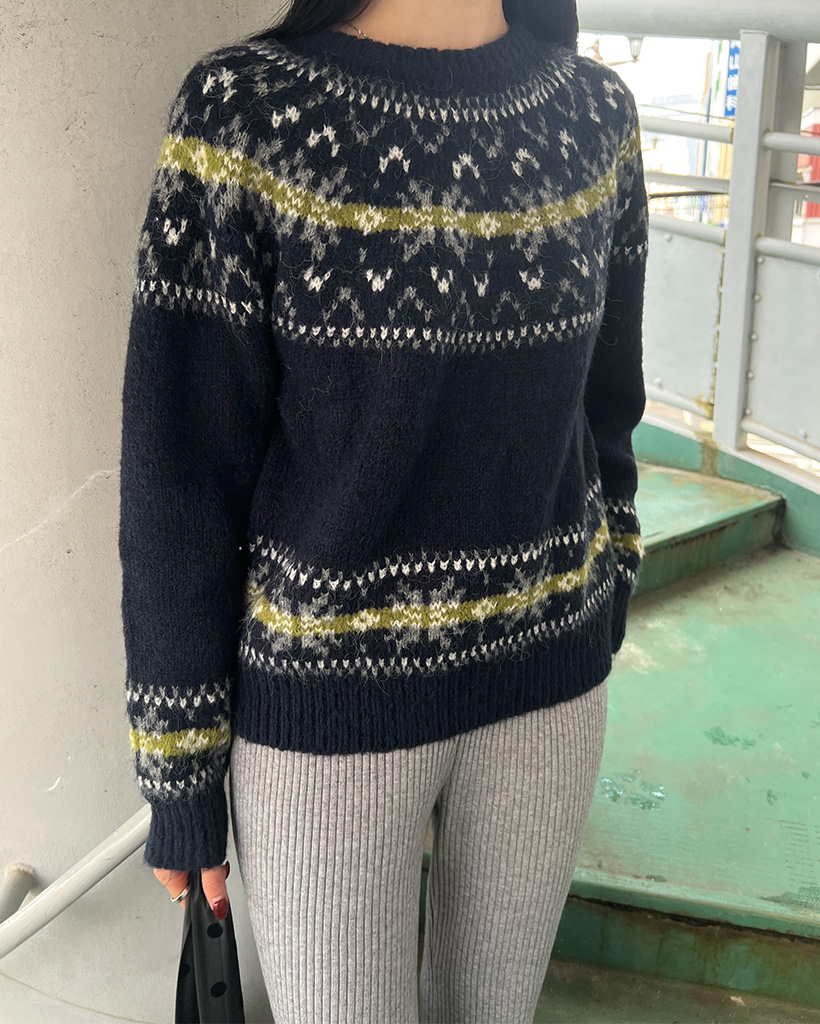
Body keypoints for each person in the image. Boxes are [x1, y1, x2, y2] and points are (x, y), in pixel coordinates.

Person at [119, 0, 648, 1019]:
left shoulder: (593, 115)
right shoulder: (244, 113)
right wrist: (180, 768)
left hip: (550, 689)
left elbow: (608, 400)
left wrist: (611, 570)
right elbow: (180, 466)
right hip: (324, 716)